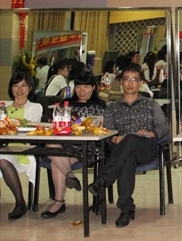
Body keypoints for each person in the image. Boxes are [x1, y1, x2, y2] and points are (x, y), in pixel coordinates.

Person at [87, 64, 169, 228]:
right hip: (122, 150)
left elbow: (164, 126)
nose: (130, 83)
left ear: (141, 83)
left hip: (146, 146)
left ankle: (104, 179)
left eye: (134, 80)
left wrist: (152, 133)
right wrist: (114, 139)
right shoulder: (112, 108)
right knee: (127, 158)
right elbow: (107, 132)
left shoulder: (151, 104)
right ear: (121, 82)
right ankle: (126, 209)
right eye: (126, 79)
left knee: (130, 139)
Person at [42, 71, 107, 218]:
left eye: (86, 87)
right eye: (78, 87)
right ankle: (69, 175)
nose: (81, 91)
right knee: (52, 147)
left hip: (86, 148)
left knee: (55, 162)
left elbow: (102, 130)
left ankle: (58, 203)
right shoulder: (66, 105)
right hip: (64, 145)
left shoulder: (100, 106)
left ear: (93, 88)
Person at [0, 72, 43, 220]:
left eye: (23, 85)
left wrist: (8, 125)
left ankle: (20, 202)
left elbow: (27, 127)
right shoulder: (3, 105)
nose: (19, 89)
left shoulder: (35, 107)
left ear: (30, 88)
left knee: (2, 159)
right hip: (2, 145)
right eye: (15, 85)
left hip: (22, 148)